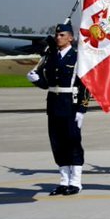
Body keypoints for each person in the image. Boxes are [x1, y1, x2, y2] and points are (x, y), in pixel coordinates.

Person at [26, 23, 90, 195]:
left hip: (70, 105)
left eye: (62, 35)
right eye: (57, 35)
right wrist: (36, 80)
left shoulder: (77, 57)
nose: (58, 37)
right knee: (57, 143)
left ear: (71, 37)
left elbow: (85, 85)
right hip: (54, 105)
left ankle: (75, 182)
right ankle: (64, 180)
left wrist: (82, 109)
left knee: (73, 143)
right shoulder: (51, 57)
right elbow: (48, 84)